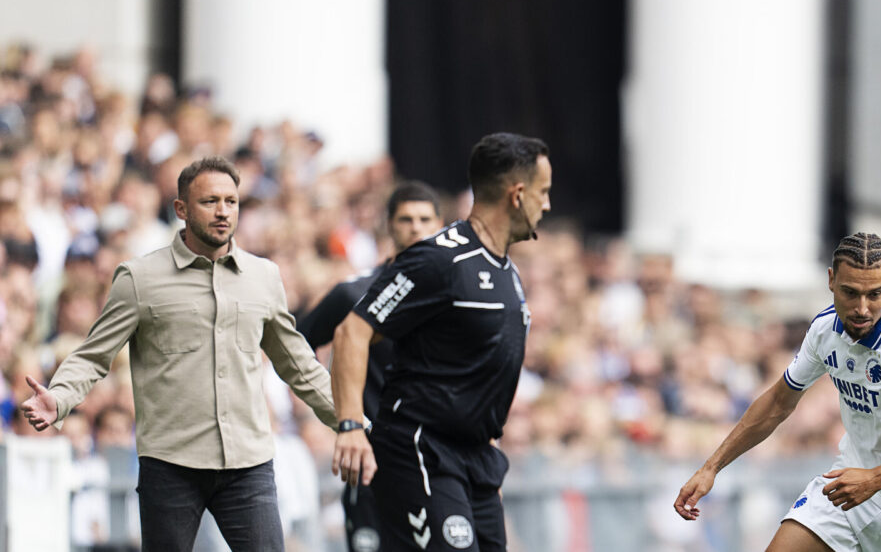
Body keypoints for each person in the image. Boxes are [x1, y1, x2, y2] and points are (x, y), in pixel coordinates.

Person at [20, 156, 339, 551]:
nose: (223, 212)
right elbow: (92, 355)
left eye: (231, 201)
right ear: (181, 209)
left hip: (248, 463)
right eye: (209, 202)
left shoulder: (264, 277)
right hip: (171, 466)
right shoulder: (139, 278)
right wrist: (61, 397)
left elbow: (299, 364)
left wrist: (352, 420)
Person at [674, 232, 881, 551]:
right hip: (847, 490)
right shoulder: (824, 330)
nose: (862, 308)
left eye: (876, 294)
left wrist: (876, 478)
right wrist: (711, 468)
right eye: (850, 292)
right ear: (831, 280)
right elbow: (779, 402)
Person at [330, 132, 551, 551]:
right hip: (422, 448)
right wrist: (351, 424)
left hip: (476, 460)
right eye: (544, 192)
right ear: (518, 194)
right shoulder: (440, 259)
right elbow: (352, 331)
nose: (548, 204)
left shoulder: (506, 271)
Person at [298, 180, 443, 551]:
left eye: (425, 219)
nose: (416, 227)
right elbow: (295, 346)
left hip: (436, 455)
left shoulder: (456, 295)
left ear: (440, 225)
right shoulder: (354, 293)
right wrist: (342, 416)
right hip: (372, 454)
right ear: (389, 225)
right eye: (406, 219)